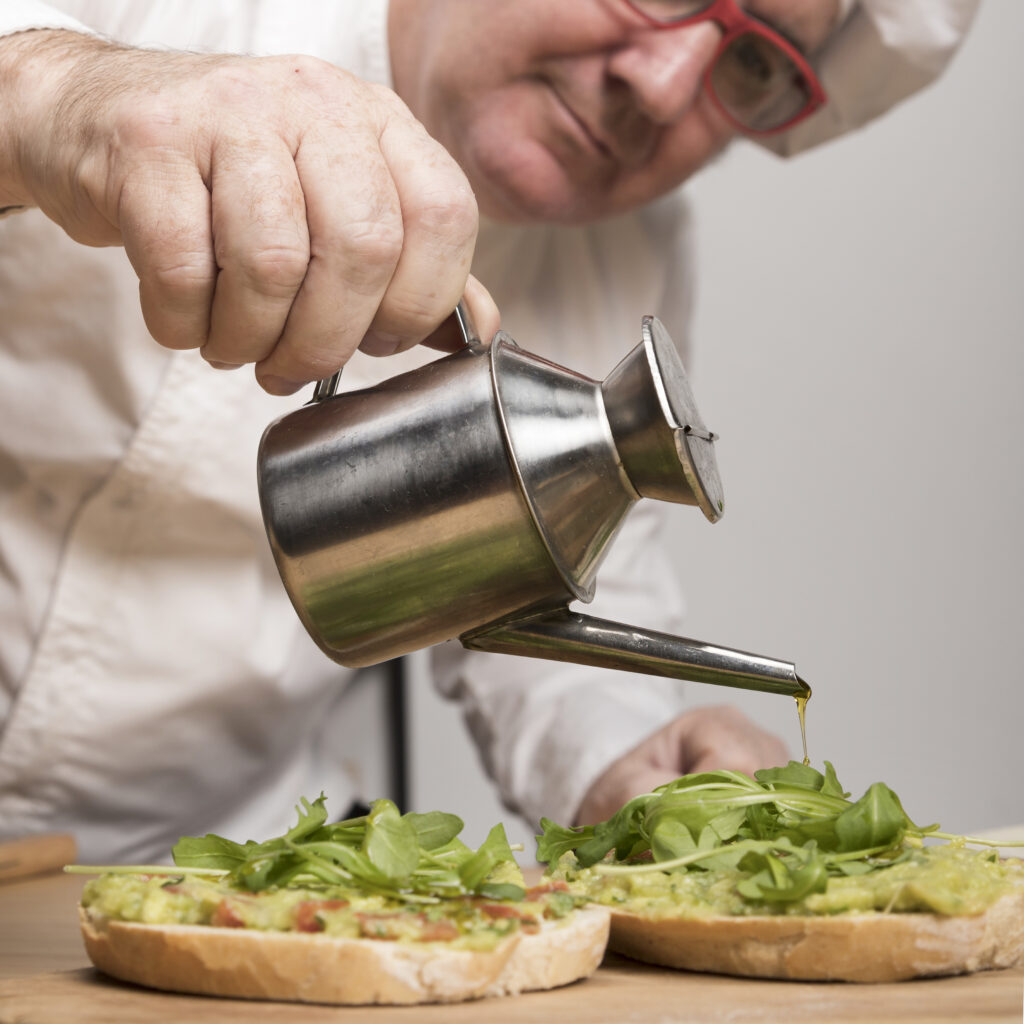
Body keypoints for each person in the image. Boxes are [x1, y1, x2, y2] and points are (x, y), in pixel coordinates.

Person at [0, 1, 978, 862]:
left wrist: (625, 767)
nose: (664, 84)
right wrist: (55, 92)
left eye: (754, 62)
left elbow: (547, 612)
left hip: (184, 873)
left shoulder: (630, 256)